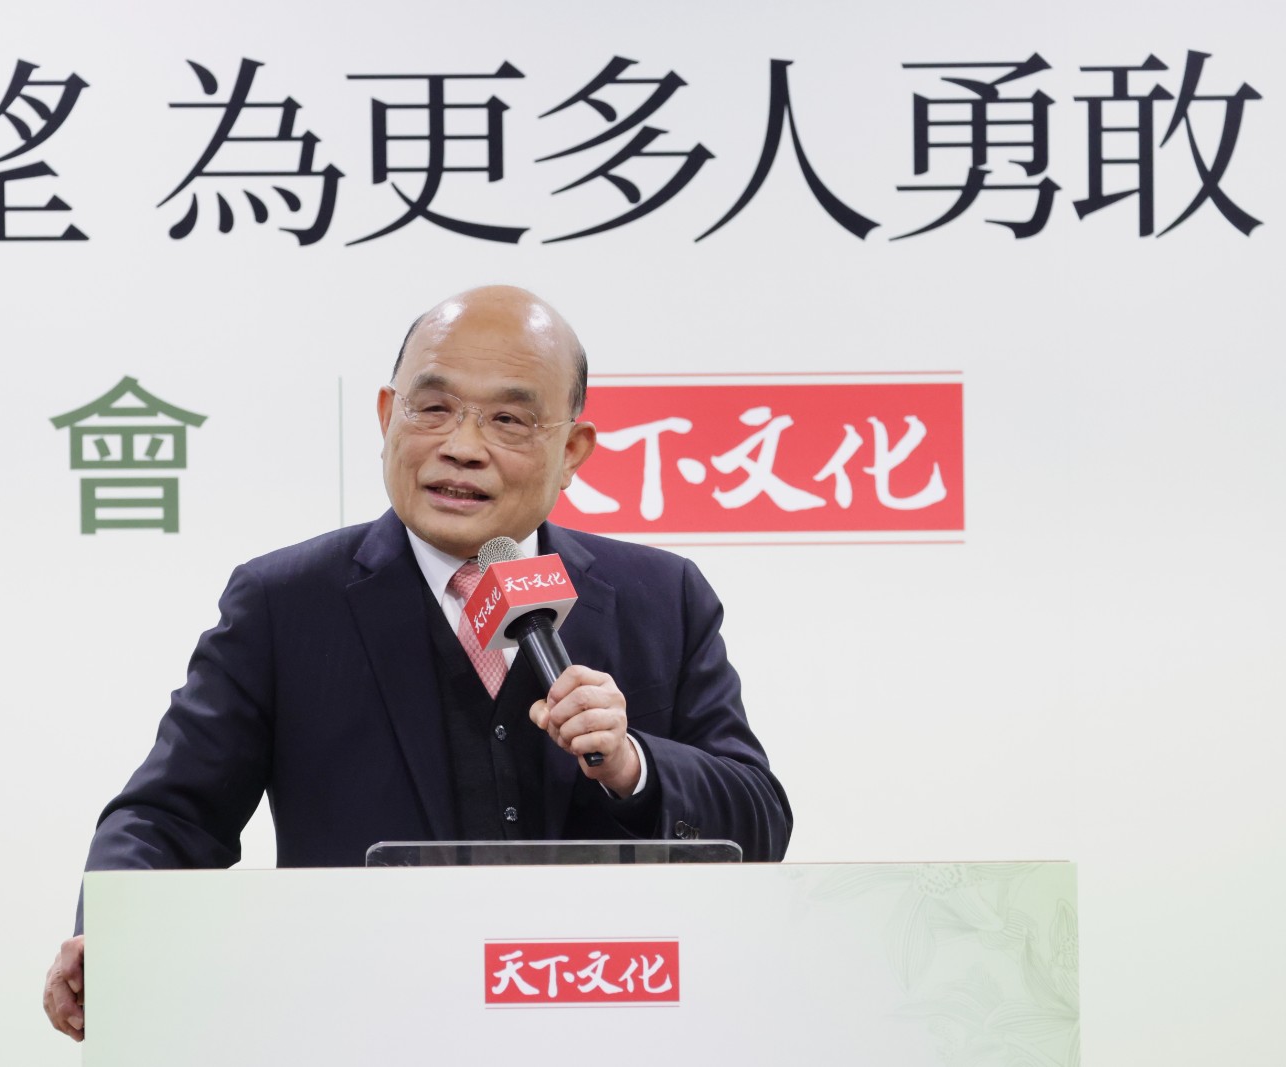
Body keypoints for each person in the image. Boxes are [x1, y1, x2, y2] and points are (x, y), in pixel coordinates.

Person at [43, 285, 793, 1040]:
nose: (462, 445)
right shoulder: (285, 603)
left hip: (608, 1026)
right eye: (432, 408)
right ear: (385, 416)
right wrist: (111, 931)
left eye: (508, 419)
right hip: (365, 1031)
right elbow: (169, 814)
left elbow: (759, 824)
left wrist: (633, 766)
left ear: (572, 451)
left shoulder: (661, 597)